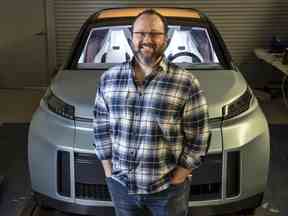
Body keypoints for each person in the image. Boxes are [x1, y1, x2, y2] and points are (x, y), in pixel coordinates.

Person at [93, 9, 209, 216]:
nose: (147, 39)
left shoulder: (186, 82)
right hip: (121, 186)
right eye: (141, 33)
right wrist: (109, 172)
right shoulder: (109, 79)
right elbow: (101, 130)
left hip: (168, 190)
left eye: (155, 33)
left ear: (167, 39)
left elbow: (199, 138)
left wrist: (179, 177)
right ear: (131, 37)